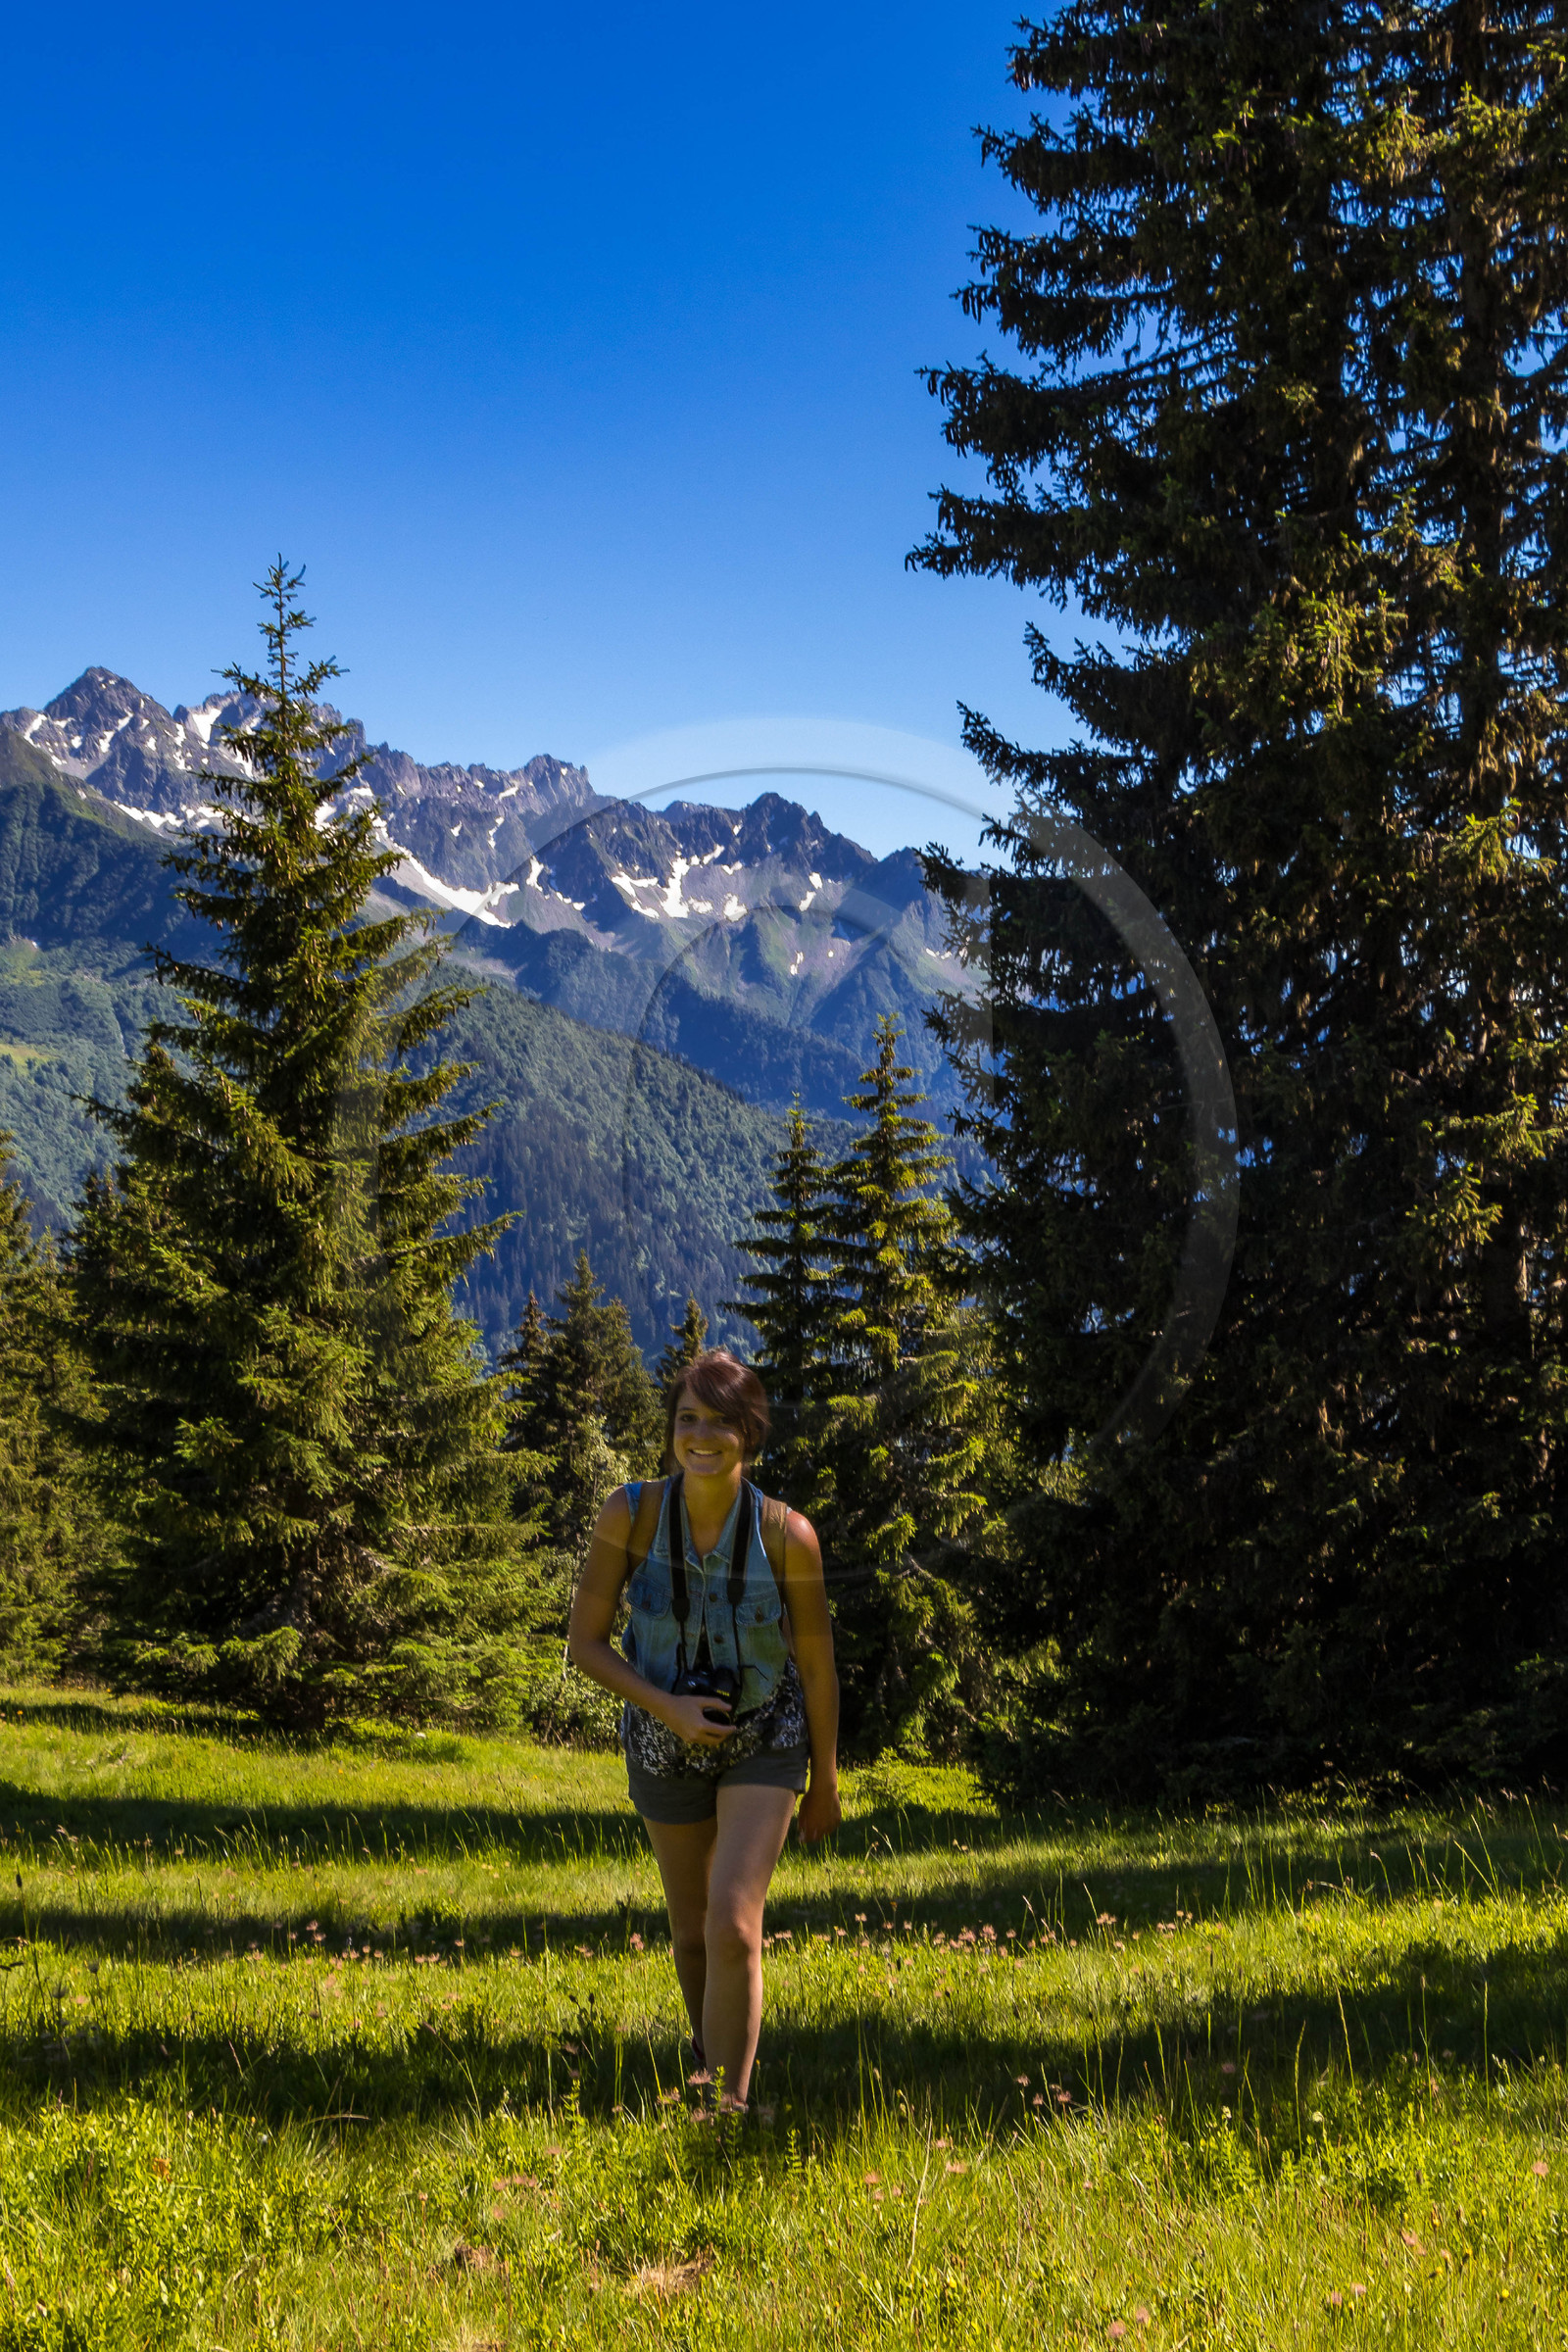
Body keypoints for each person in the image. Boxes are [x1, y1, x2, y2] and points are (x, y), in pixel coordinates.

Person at [567, 1348, 840, 2108]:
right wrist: (669, 1709)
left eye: (721, 1422)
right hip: (662, 1738)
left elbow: (817, 1672)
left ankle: (727, 2109)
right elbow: (582, 1644)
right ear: (669, 1430)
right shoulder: (630, 1514)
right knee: (690, 1935)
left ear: (750, 1434)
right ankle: (707, 2055)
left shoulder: (788, 1536)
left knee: (733, 1926)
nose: (701, 1435)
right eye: (688, 1418)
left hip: (767, 1736)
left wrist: (826, 1782)